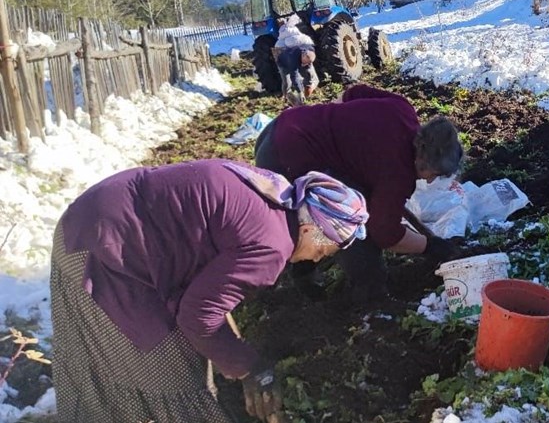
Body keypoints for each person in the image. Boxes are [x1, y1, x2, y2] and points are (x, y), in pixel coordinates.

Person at [50, 159, 369, 423]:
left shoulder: (277, 191)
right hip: (105, 247)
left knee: (159, 357)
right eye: (327, 248)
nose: (322, 256)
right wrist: (251, 368)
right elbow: (199, 316)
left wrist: (233, 356)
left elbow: (207, 284)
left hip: (102, 216)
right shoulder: (271, 247)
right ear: (310, 227)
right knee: (173, 375)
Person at [254, 83, 464, 302]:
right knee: (349, 224)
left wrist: (343, 137)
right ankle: (368, 294)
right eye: (435, 175)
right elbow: (385, 234)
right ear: (425, 163)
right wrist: (429, 246)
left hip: (283, 126)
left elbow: (352, 93)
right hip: (287, 159)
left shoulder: (402, 110)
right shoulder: (397, 174)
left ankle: (304, 266)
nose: (431, 180)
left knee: (342, 204)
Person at [274, 14, 318, 103]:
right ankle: (287, 96)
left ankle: (309, 87)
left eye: (306, 63)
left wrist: (309, 79)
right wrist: (300, 92)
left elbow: (309, 58)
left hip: (289, 51)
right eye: (304, 62)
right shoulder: (292, 58)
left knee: (309, 72)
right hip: (281, 59)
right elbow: (295, 76)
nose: (305, 64)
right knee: (286, 80)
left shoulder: (308, 48)